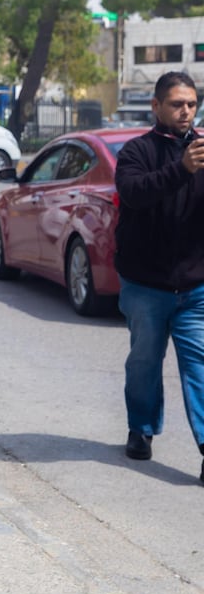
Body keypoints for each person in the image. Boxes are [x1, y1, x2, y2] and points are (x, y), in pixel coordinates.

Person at [114, 70, 204, 481]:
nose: (185, 111)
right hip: (145, 284)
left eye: (191, 104)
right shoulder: (136, 151)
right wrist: (182, 169)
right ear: (157, 106)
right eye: (176, 104)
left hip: (195, 287)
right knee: (144, 364)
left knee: (200, 369)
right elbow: (136, 193)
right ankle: (141, 429)